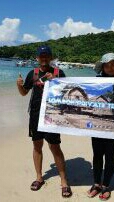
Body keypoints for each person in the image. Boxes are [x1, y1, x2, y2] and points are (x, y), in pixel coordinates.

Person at [16, 45, 72, 198]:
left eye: (47, 56)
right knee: (37, 145)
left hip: (52, 115)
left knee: (55, 146)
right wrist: (19, 85)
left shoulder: (58, 73)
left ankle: (64, 181)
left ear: (51, 57)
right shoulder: (32, 73)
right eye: (41, 56)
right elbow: (24, 93)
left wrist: (57, 82)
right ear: (37, 58)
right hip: (35, 115)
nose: (44, 58)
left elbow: (68, 93)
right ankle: (39, 177)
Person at [87, 52, 114, 200]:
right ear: (103, 67)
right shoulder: (96, 81)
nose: (110, 67)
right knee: (97, 155)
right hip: (97, 124)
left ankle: (105, 186)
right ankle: (96, 184)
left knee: (110, 156)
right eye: (107, 65)